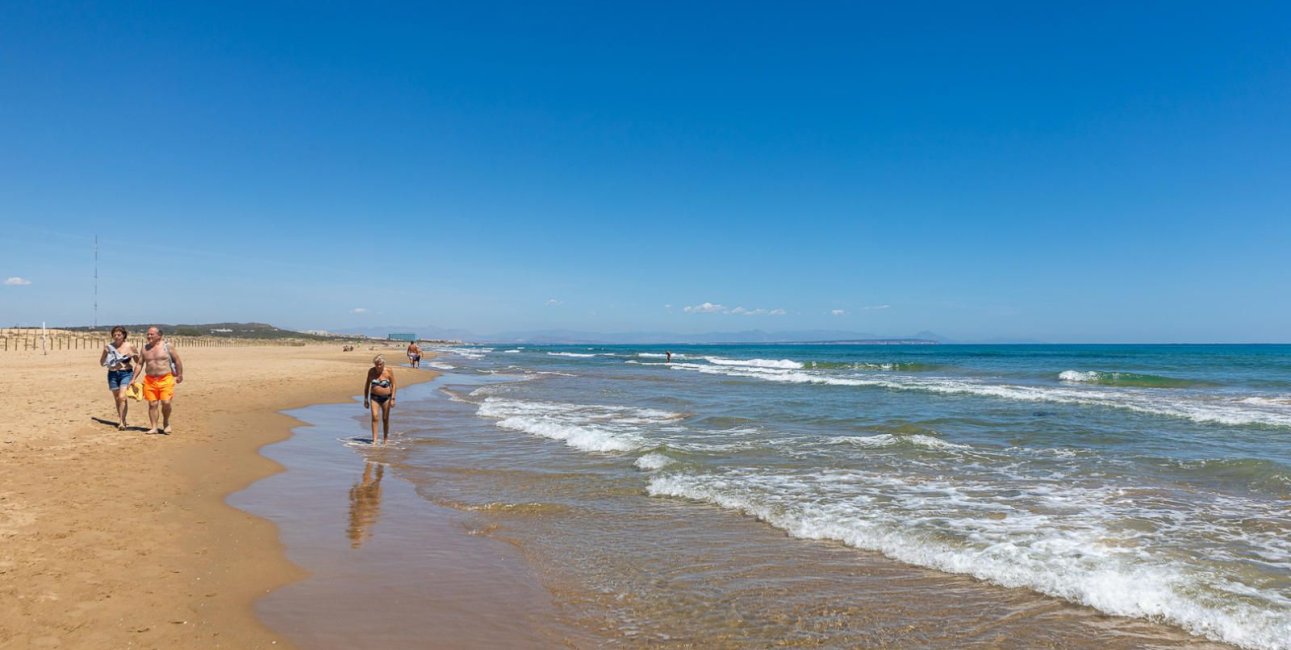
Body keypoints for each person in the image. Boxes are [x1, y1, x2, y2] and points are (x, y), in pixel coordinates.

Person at [131, 326, 184, 434]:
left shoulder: (167, 346)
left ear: (159, 336)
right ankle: (154, 427)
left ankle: (166, 422)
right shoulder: (145, 348)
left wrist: (180, 374)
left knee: (166, 402)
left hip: (165, 378)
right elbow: (139, 364)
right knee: (152, 404)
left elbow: (177, 360)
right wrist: (133, 379)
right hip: (150, 380)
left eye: (152, 334)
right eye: (148, 334)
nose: (149, 336)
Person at [98, 325, 140, 430]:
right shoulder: (109, 347)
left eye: (119, 335)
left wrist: (133, 355)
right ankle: (122, 419)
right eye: (115, 335)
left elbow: (138, 362)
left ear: (124, 335)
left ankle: (121, 422)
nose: (117, 337)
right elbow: (101, 362)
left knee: (122, 397)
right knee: (117, 399)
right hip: (112, 374)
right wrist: (105, 353)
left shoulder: (130, 346)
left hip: (126, 373)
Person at [363, 355, 396, 443]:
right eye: (376, 364)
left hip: (386, 398)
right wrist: (366, 399)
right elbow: (367, 386)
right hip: (374, 397)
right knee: (375, 417)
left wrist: (393, 398)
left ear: (383, 364)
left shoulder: (389, 371)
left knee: (385, 419)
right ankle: (375, 440)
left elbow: (394, 385)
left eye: (380, 364)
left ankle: (385, 440)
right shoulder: (371, 371)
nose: (378, 366)